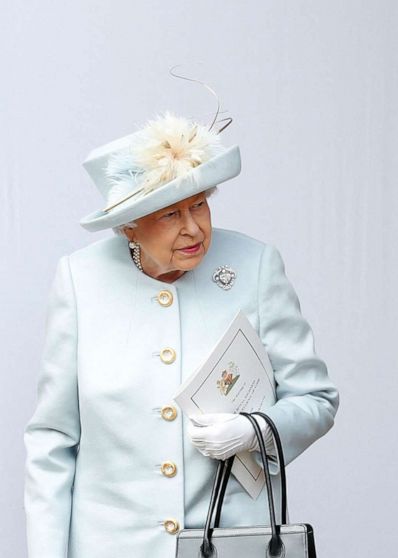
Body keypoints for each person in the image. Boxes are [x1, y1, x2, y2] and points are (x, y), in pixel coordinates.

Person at [24, 113, 340, 557]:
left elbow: (317, 399)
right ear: (128, 225)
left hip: (228, 543)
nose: (192, 227)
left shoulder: (255, 267)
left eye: (199, 204)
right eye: (170, 213)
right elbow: (53, 439)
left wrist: (256, 431)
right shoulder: (81, 280)